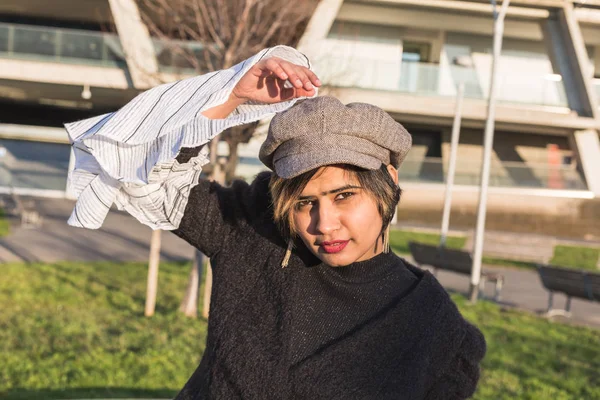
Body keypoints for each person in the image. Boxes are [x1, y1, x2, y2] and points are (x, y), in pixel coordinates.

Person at [66, 46, 486, 400]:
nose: (324, 224)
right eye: (305, 203)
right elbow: (144, 176)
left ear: (388, 182)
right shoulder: (251, 230)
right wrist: (229, 94)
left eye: (344, 196)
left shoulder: (428, 317)